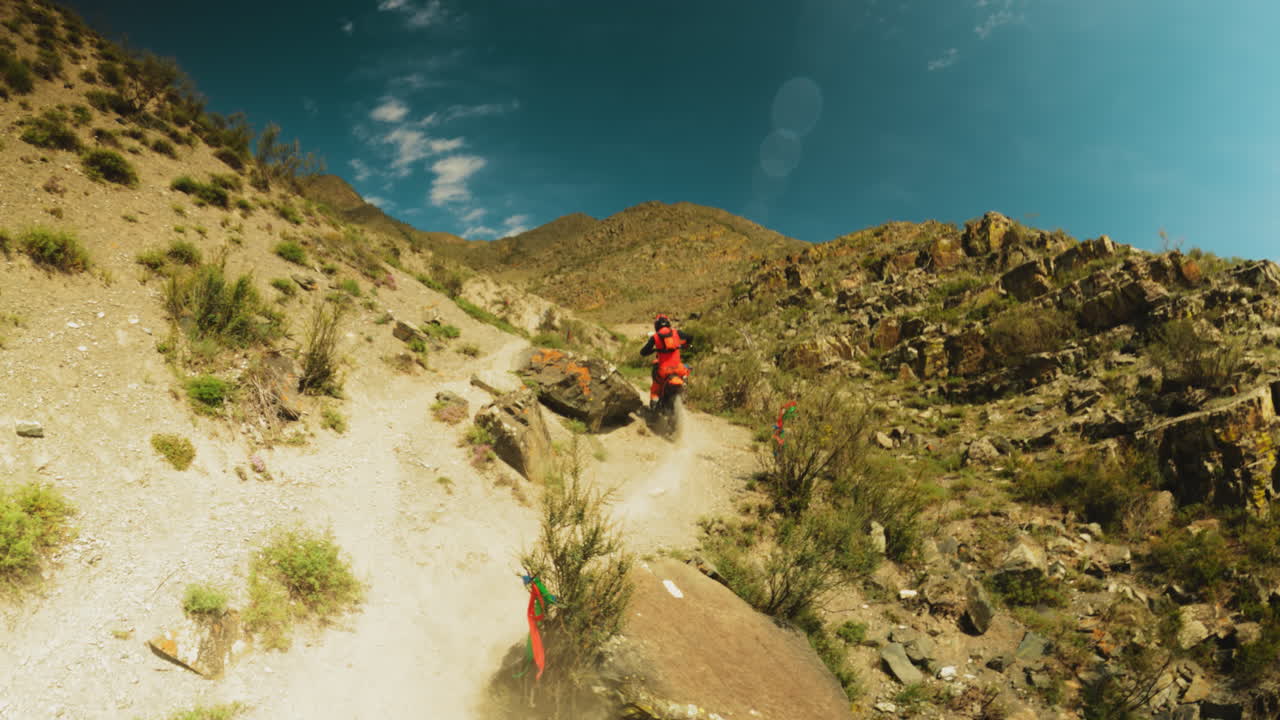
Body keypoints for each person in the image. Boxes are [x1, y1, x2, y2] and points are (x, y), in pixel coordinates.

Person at [639, 314, 691, 409]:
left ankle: (655, 402)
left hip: (664, 371)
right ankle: (685, 392)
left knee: (656, 385)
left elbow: (643, 352)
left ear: (657, 325)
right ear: (668, 323)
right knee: (686, 371)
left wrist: (654, 350)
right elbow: (690, 337)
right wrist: (684, 345)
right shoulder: (677, 332)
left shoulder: (655, 337)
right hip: (679, 369)